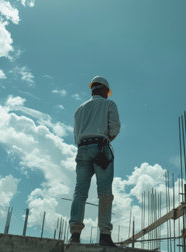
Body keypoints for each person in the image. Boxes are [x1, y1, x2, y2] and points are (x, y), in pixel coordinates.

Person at [69, 76, 120, 247]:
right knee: (104, 192)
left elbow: (76, 137)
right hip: (100, 148)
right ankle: (104, 234)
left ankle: (74, 234)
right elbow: (115, 128)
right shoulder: (109, 104)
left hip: (82, 150)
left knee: (80, 192)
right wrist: (104, 140)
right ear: (105, 90)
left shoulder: (79, 109)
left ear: (92, 89)